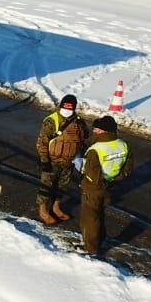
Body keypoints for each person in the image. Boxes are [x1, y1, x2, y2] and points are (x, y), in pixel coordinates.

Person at [78, 114, 133, 257]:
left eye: (97, 129)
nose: (94, 131)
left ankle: (90, 248)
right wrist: (114, 180)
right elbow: (128, 168)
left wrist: (83, 172)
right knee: (100, 216)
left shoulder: (95, 150)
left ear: (103, 131)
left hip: (93, 189)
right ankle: (99, 240)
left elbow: (92, 174)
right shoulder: (123, 145)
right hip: (111, 186)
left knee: (90, 219)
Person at [34, 93, 89, 226]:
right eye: (65, 107)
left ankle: (55, 207)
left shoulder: (79, 122)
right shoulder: (51, 121)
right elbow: (42, 142)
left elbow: (84, 139)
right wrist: (44, 161)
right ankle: (43, 211)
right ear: (61, 106)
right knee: (46, 187)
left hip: (68, 161)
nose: (67, 110)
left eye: (70, 108)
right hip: (52, 161)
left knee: (61, 187)